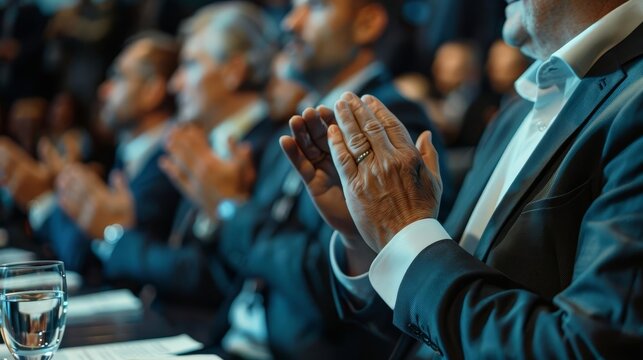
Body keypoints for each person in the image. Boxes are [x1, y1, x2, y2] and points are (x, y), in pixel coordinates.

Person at [283, 0, 643, 358]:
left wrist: (403, 230)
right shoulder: (521, 104)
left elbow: (587, 347)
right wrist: (368, 238)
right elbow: (427, 319)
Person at [30, 32, 182, 273]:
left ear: (152, 91)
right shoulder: (129, 153)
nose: (104, 90)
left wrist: (54, 194)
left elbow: (85, 258)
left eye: (118, 77)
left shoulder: (169, 163)